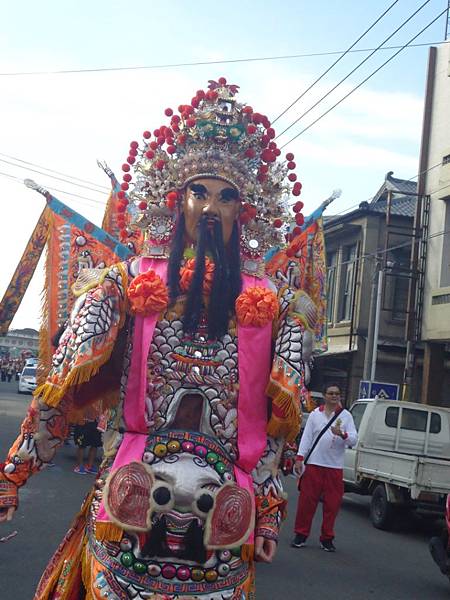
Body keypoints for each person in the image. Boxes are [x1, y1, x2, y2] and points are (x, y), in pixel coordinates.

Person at [0, 78, 324, 599]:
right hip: (128, 510)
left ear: (243, 210)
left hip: (221, 526)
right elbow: (60, 389)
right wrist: (14, 473)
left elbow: (273, 429)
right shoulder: (124, 286)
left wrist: (266, 514)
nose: (211, 207)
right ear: (177, 200)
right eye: (199, 191)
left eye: (226, 196)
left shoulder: (278, 308)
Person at [292, 384, 357, 552]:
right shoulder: (315, 415)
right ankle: (301, 534)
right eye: (331, 393)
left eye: (337, 393)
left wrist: (342, 434)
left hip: (334, 467)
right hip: (314, 464)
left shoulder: (346, 416)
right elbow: (306, 438)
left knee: (332, 505)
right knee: (307, 502)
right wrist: (300, 458)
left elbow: (354, 440)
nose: (334, 396)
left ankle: (327, 538)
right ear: (324, 395)